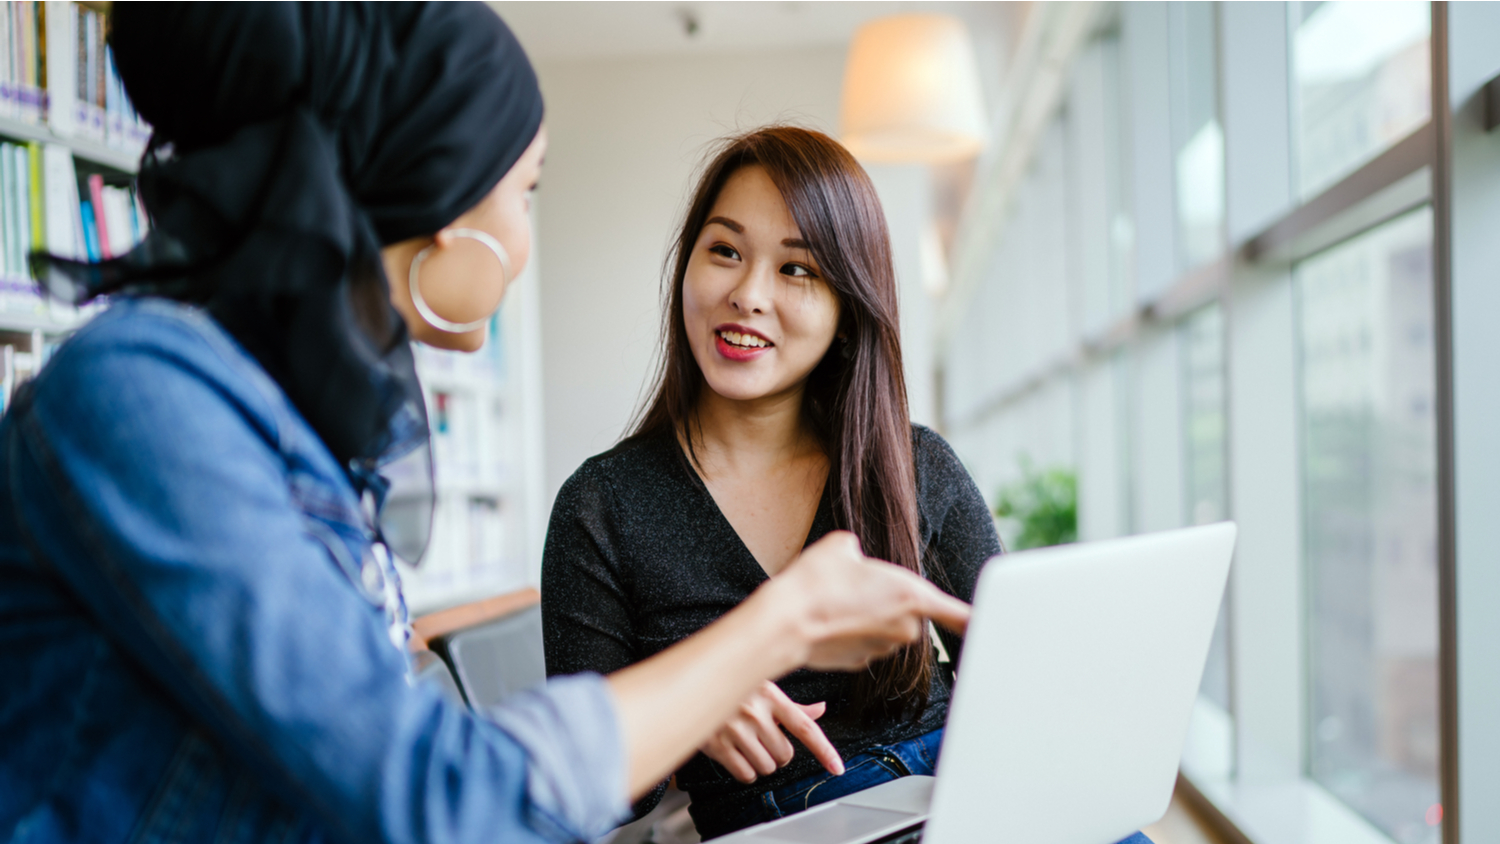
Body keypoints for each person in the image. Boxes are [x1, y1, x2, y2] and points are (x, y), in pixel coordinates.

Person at [0, 7, 969, 844]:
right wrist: (773, 628)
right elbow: (433, 795)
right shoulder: (143, 402)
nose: (520, 239)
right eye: (526, 189)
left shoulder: (283, 427)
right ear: (434, 194)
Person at [541, 127, 1004, 839]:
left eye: (798, 270)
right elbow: (593, 793)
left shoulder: (914, 464)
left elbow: (1009, 673)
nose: (748, 295)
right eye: (725, 251)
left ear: (848, 309)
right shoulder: (601, 507)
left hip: (952, 790)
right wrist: (692, 706)